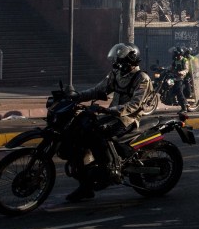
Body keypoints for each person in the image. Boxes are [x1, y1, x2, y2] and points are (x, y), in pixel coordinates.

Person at [66, 42, 153, 202]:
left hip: (128, 119)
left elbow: (135, 104)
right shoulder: (117, 74)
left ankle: (109, 170)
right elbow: (99, 90)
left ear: (132, 60)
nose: (118, 64)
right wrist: (77, 96)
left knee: (100, 135)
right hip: (110, 115)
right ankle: (85, 185)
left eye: (122, 61)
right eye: (117, 61)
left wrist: (110, 110)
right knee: (80, 134)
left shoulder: (142, 79)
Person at [169, 47, 190, 112]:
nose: (174, 55)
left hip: (182, 79)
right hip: (175, 78)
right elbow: (171, 68)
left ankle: (184, 108)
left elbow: (186, 70)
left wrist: (181, 72)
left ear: (179, 54)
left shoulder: (184, 60)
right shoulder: (175, 60)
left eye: (175, 53)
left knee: (179, 92)